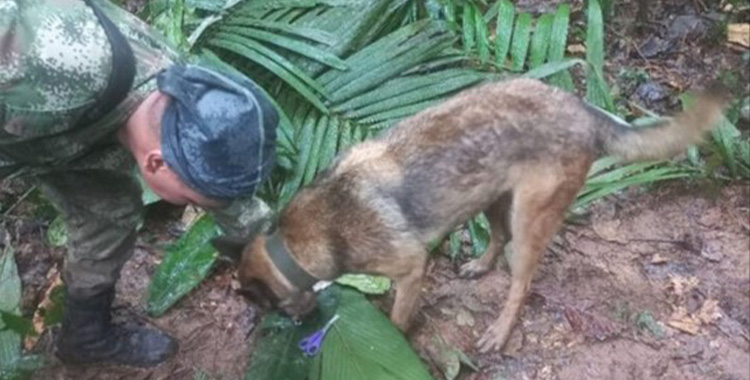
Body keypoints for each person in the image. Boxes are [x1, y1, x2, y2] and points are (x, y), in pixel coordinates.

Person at [0, 0, 278, 367]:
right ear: (156, 162)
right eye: (191, 201)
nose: (195, 206)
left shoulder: (182, 97)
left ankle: (84, 337)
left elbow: (227, 200)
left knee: (109, 213)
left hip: (64, 135)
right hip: (35, 114)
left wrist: (280, 263)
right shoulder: (44, 67)